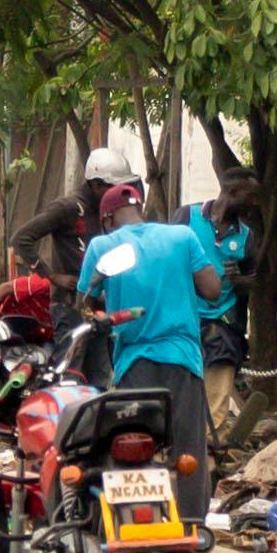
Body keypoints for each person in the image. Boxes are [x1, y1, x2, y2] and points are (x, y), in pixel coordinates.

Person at [73, 171, 244, 524]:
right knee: (188, 451)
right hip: (182, 359)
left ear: (107, 219)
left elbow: (85, 304)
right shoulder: (181, 237)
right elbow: (213, 291)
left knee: (129, 446)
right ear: (140, 209)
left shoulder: (102, 246)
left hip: (134, 362)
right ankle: (193, 531)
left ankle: (134, 522)